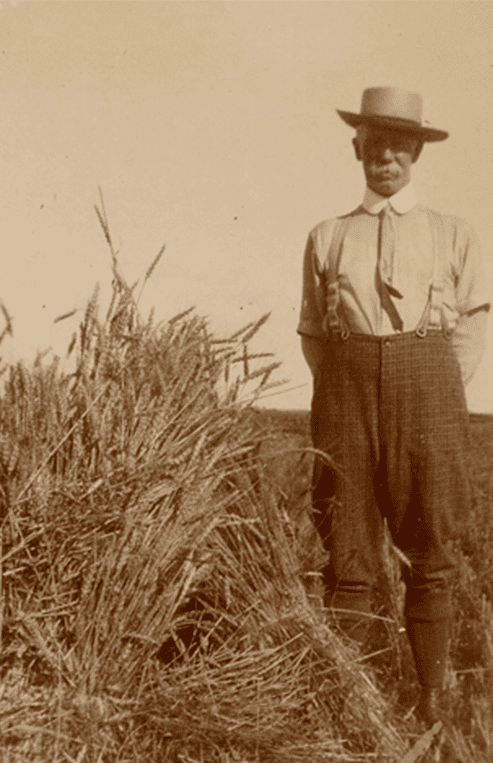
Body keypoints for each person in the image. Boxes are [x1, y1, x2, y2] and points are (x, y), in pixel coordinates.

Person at [297, 86, 490, 727]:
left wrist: (429, 389)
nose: (386, 156)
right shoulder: (327, 235)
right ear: (358, 149)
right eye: (374, 144)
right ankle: (349, 702)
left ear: (416, 153)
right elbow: (314, 337)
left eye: (399, 145)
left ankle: (430, 700)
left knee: (430, 547)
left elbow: (468, 333)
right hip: (345, 389)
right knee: (346, 546)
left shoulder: (454, 233)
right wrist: (350, 386)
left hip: (431, 390)